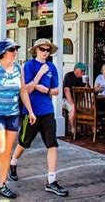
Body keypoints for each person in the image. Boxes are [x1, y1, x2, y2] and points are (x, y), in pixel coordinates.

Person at [8, 38, 69, 197]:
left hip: (47, 110)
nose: (46, 53)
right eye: (42, 49)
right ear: (36, 50)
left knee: (52, 144)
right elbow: (25, 90)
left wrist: (48, 91)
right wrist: (37, 79)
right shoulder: (29, 66)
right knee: (24, 142)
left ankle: (51, 181)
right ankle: (13, 163)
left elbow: (55, 90)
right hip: (31, 112)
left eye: (48, 50)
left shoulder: (52, 67)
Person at [0, 39, 36, 199]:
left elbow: (23, 91)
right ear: (3, 52)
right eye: (12, 49)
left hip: (13, 113)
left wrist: (30, 111)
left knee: (7, 152)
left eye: (16, 49)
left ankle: (1, 184)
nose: (15, 52)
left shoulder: (18, 68)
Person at [62, 62, 88, 135]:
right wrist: (72, 103)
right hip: (67, 99)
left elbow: (87, 90)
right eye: (81, 70)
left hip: (79, 100)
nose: (83, 72)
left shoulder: (83, 78)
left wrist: (86, 83)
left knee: (91, 107)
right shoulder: (69, 76)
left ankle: (92, 128)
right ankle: (73, 129)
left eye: (84, 71)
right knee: (73, 109)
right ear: (76, 70)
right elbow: (66, 91)